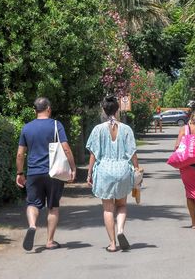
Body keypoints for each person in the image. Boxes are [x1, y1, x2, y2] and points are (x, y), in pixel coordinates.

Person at [16, 97, 76, 251]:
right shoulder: (56, 125)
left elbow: (20, 154)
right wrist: (72, 168)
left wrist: (20, 173)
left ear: (34, 110)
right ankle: (49, 241)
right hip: (54, 172)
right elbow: (66, 148)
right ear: (48, 108)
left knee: (32, 203)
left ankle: (32, 225)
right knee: (53, 206)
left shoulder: (26, 128)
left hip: (34, 172)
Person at [86, 95, 140, 252]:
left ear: (103, 110)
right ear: (117, 110)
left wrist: (89, 173)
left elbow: (93, 154)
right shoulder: (126, 129)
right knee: (122, 205)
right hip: (122, 170)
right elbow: (132, 153)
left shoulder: (98, 129)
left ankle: (112, 243)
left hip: (105, 172)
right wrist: (136, 170)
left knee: (108, 209)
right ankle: (121, 231)